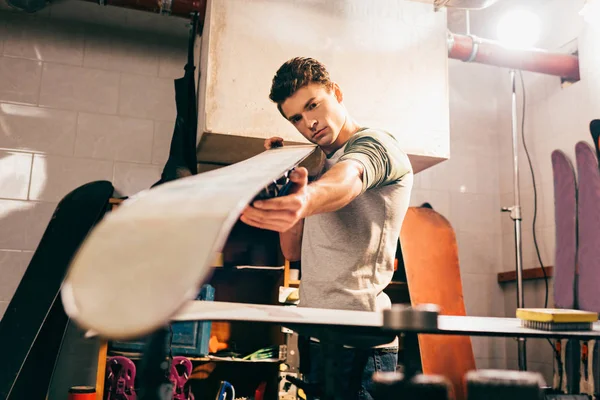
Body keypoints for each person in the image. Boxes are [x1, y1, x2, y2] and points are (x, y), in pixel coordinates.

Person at [240, 57, 413, 400]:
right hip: (316, 337)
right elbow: (293, 251)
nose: (310, 123)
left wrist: (306, 198)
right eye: (297, 118)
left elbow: (348, 180)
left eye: (313, 105)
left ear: (336, 92)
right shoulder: (317, 163)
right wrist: (284, 183)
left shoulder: (376, 145)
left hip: (361, 344)